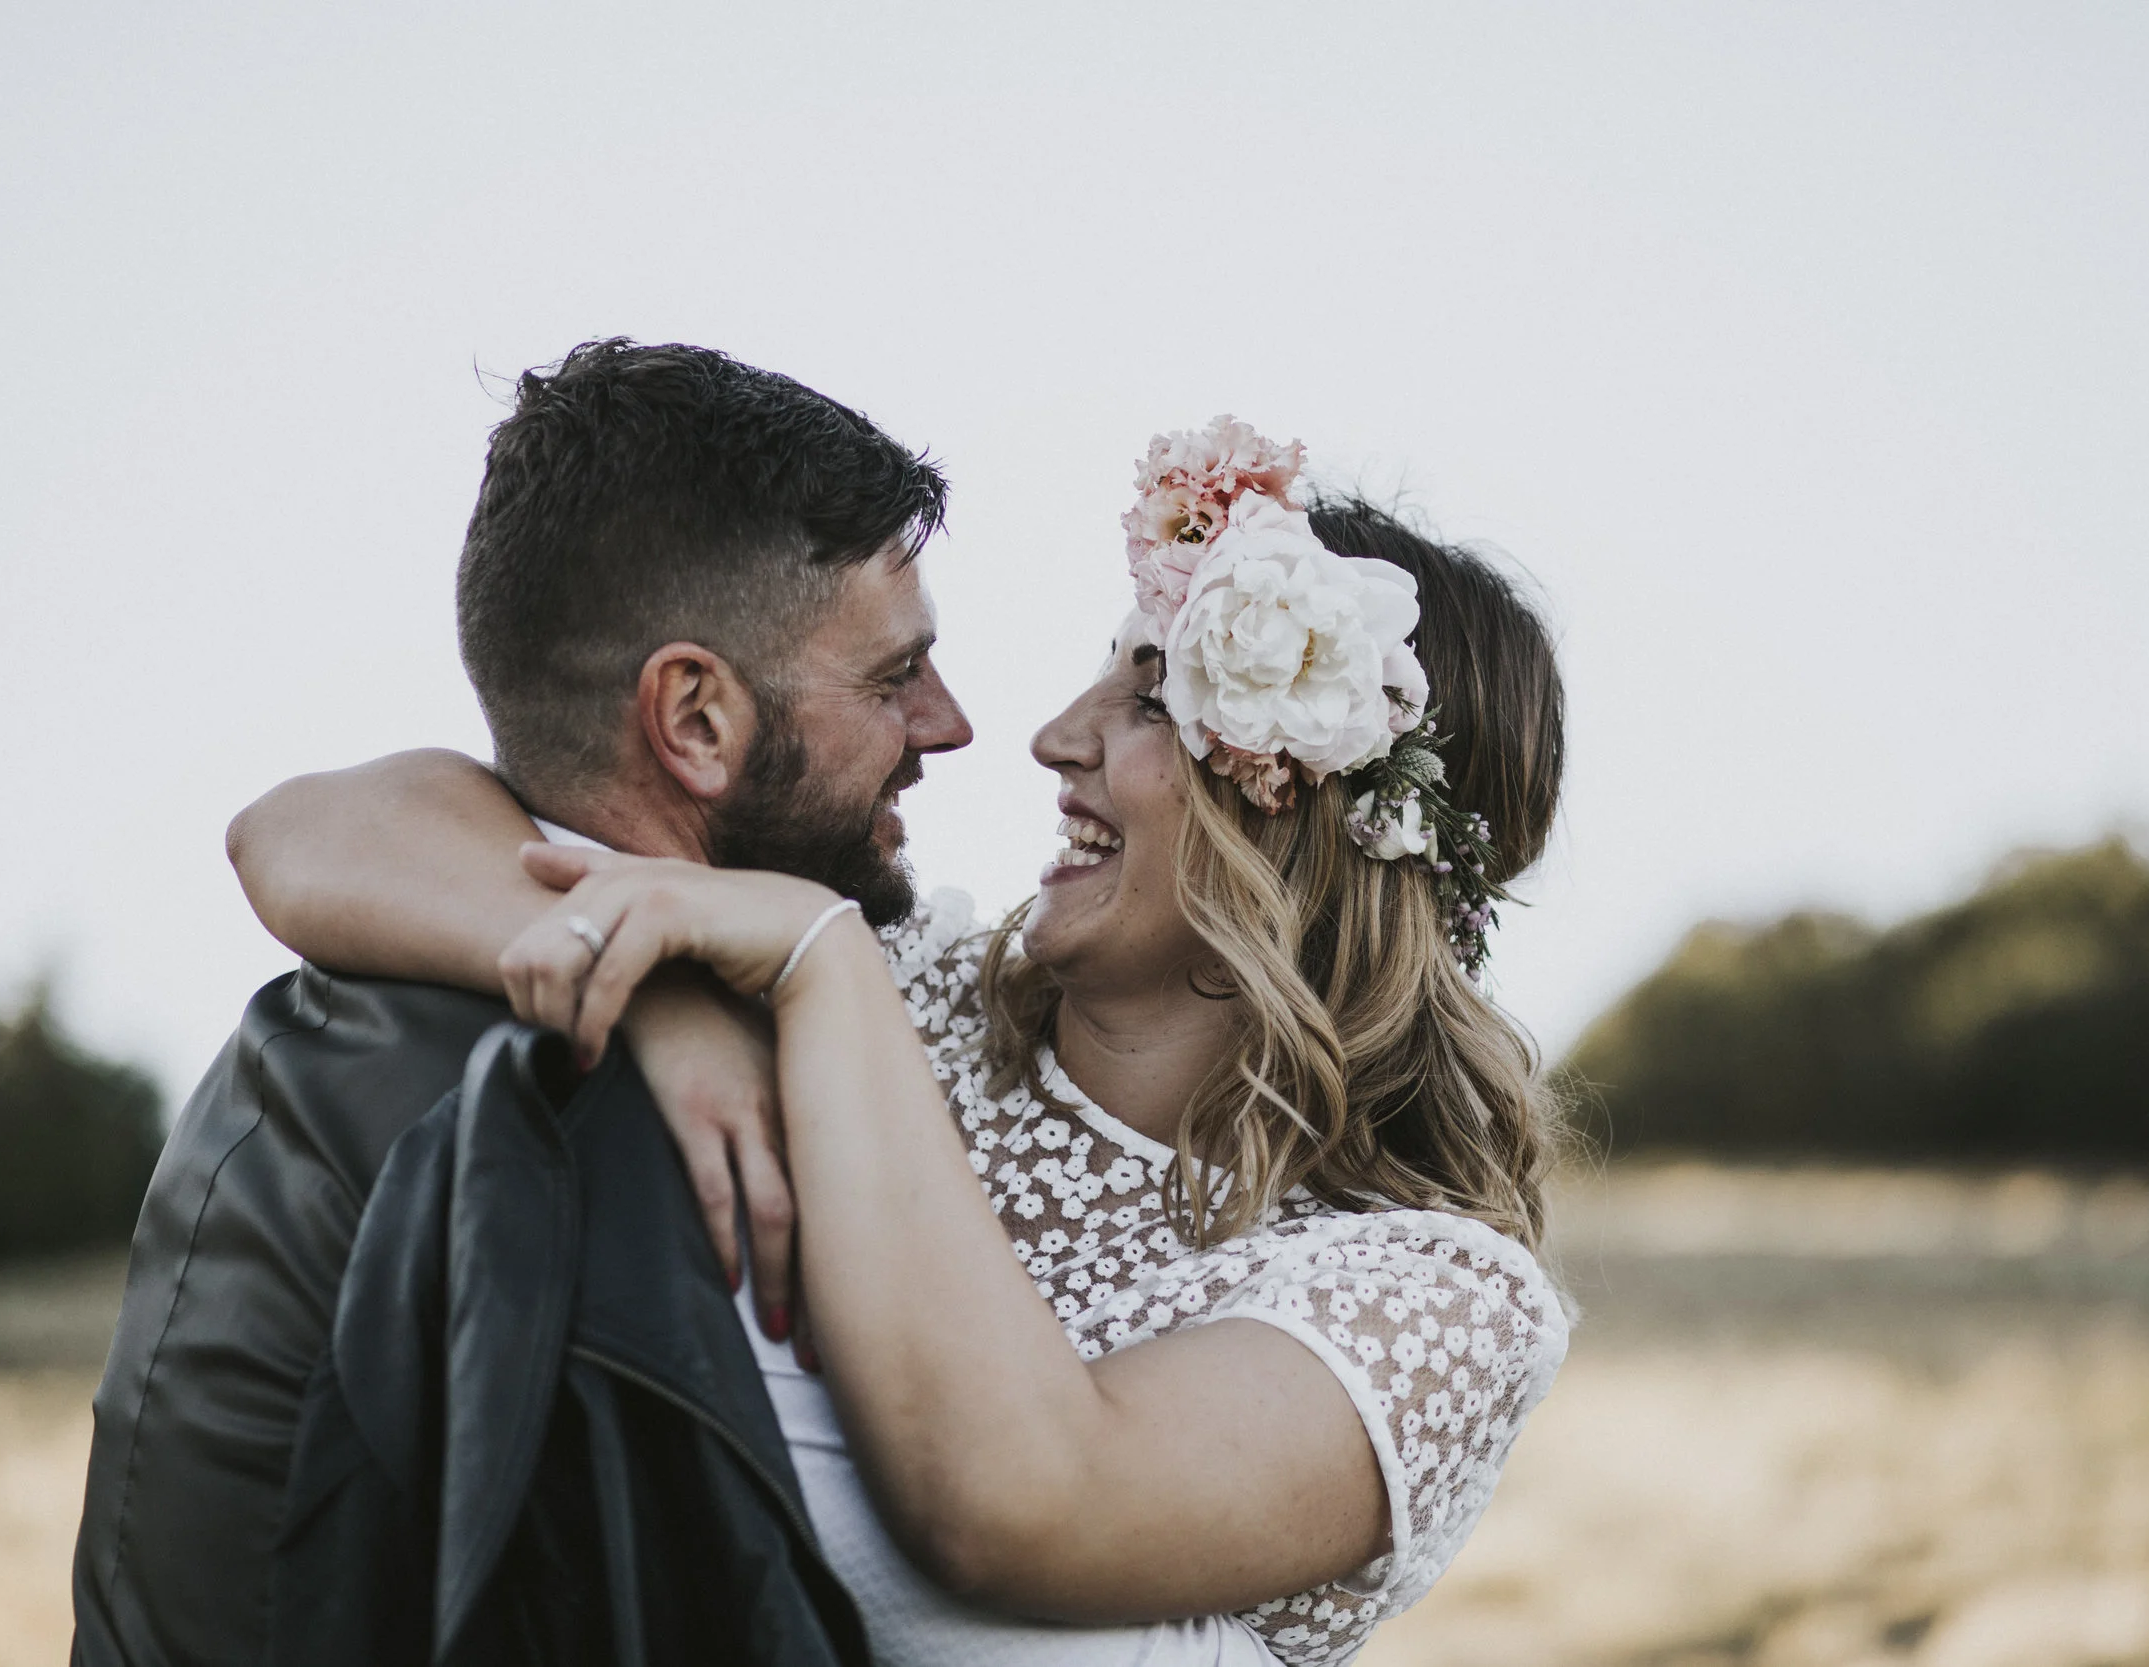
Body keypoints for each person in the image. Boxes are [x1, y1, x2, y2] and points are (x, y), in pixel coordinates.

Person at [230, 416, 1574, 1664]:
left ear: (1309, 807)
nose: (1054, 738)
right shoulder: (896, 981)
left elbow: (1025, 1501)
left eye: (1153, 698)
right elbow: (305, 831)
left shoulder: (1435, 1299)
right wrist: (667, 1000)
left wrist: (823, 975)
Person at [70, 339, 970, 1666]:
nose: (948, 724)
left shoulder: (348, 996)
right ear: (697, 721)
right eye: (894, 678)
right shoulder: (576, 1132)